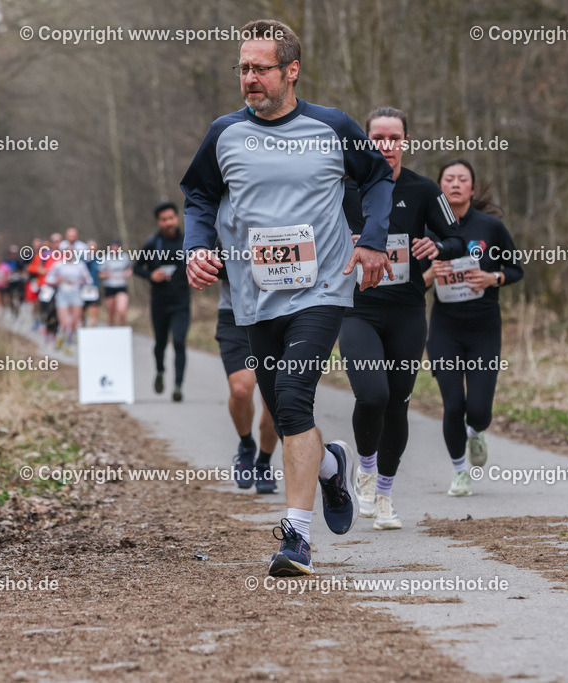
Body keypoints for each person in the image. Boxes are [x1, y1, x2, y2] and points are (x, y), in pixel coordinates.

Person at [182, 19, 394, 576]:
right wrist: (197, 247)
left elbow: (376, 181)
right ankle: (329, 467)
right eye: (243, 69)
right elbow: (198, 196)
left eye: (260, 68)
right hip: (254, 296)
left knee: (295, 400)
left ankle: (296, 538)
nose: (249, 78)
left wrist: (372, 242)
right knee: (281, 408)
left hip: (322, 287)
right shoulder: (224, 133)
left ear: (291, 71)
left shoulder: (332, 127)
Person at [339, 108, 465, 530]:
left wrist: (437, 247)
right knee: (372, 395)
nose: (386, 146)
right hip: (358, 310)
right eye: (378, 137)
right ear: (365, 142)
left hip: (408, 313)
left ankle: (386, 495)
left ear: (406, 142)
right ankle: (366, 467)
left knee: (398, 404)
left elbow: (456, 238)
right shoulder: (344, 188)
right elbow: (313, 235)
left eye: (394, 138)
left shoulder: (424, 189)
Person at [424, 159, 523, 496]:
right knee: (453, 405)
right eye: (448, 179)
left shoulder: (490, 227)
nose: (455, 184)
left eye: (462, 179)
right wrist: (428, 275)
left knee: (478, 411)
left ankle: (475, 432)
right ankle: (459, 472)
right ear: (440, 186)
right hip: (444, 328)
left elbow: (516, 269)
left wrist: (493, 277)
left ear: (472, 188)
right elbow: (412, 281)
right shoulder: (428, 228)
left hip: (483, 327)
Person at [214, 265, 280, 493]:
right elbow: (202, 252)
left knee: (275, 400)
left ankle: (263, 463)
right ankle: (246, 446)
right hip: (234, 316)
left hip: (278, 313)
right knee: (241, 390)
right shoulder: (223, 227)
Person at [134, 203, 190, 402]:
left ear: (176, 218)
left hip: (182, 301)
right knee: (160, 343)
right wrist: (151, 275)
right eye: (164, 219)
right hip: (159, 302)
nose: (168, 222)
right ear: (159, 221)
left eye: (171, 218)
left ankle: (178, 386)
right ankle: (160, 371)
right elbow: (136, 267)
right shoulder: (152, 243)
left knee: (179, 342)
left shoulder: (187, 240)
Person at [46, 242, 93, 350]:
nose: (69, 254)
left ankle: (69, 342)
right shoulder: (58, 265)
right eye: (67, 252)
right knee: (65, 323)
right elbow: (49, 279)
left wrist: (81, 281)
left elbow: (89, 280)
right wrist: (57, 280)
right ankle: (60, 338)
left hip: (76, 294)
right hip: (62, 295)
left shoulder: (80, 265)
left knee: (73, 323)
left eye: (71, 252)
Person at [100, 241, 132, 326]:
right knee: (111, 313)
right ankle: (112, 331)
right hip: (109, 287)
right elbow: (100, 274)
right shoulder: (105, 258)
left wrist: (127, 273)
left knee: (122, 311)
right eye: (113, 248)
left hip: (121, 286)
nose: (115, 250)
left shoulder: (125, 257)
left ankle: (122, 330)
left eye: (116, 248)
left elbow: (130, 268)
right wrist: (106, 274)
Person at [82, 240, 102, 326]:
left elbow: (103, 272)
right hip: (83, 289)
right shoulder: (81, 260)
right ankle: (81, 331)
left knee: (94, 311)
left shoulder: (99, 260)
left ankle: (92, 330)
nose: (91, 249)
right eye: (90, 247)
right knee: (81, 312)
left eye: (93, 247)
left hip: (94, 288)